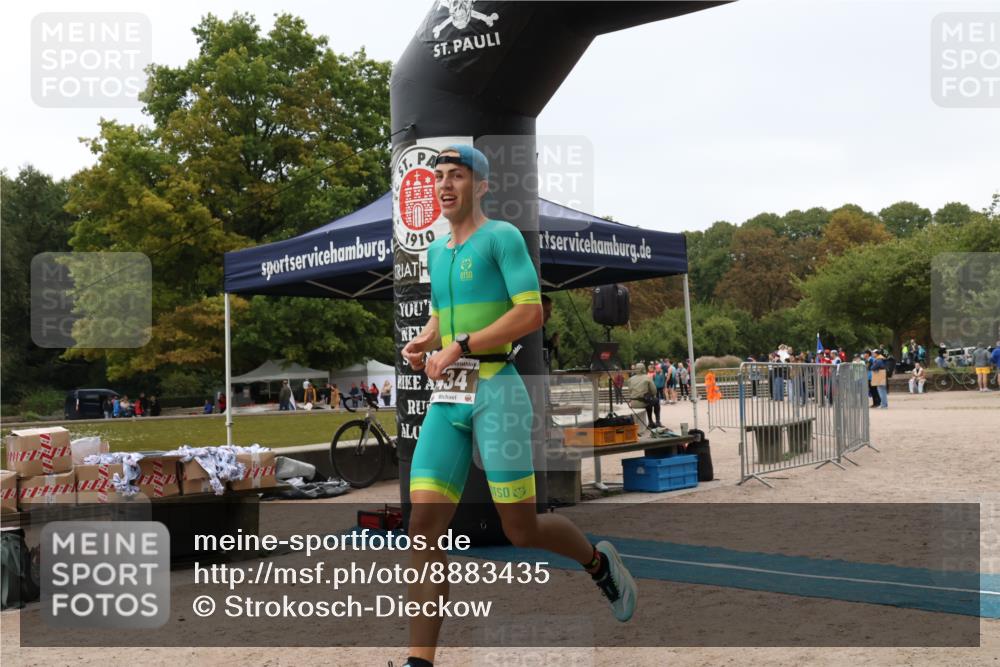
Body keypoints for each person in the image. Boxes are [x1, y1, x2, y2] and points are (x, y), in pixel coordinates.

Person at [398, 144, 637, 667]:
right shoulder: (436, 252)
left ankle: (598, 564)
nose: (444, 185)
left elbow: (530, 315)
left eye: (456, 176)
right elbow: (441, 317)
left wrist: (460, 344)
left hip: (497, 391)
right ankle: (420, 662)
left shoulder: (501, 238)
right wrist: (424, 341)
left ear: (481, 185)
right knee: (422, 525)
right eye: (438, 176)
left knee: (519, 529)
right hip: (449, 399)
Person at [628, 361, 662, 430]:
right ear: (643, 369)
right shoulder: (647, 378)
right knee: (655, 401)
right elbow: (654, 391)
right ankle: (657, 421)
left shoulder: (630, 379)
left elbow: (630, 391)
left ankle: (651, 422)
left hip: (633, 403)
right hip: (642, 402)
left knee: (648, 401)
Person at [540, 293, 560, 371]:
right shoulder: (529, 331)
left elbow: (543, 349)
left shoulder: (541, 329)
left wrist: (552, 342)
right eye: (547, 311)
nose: (550, 315)